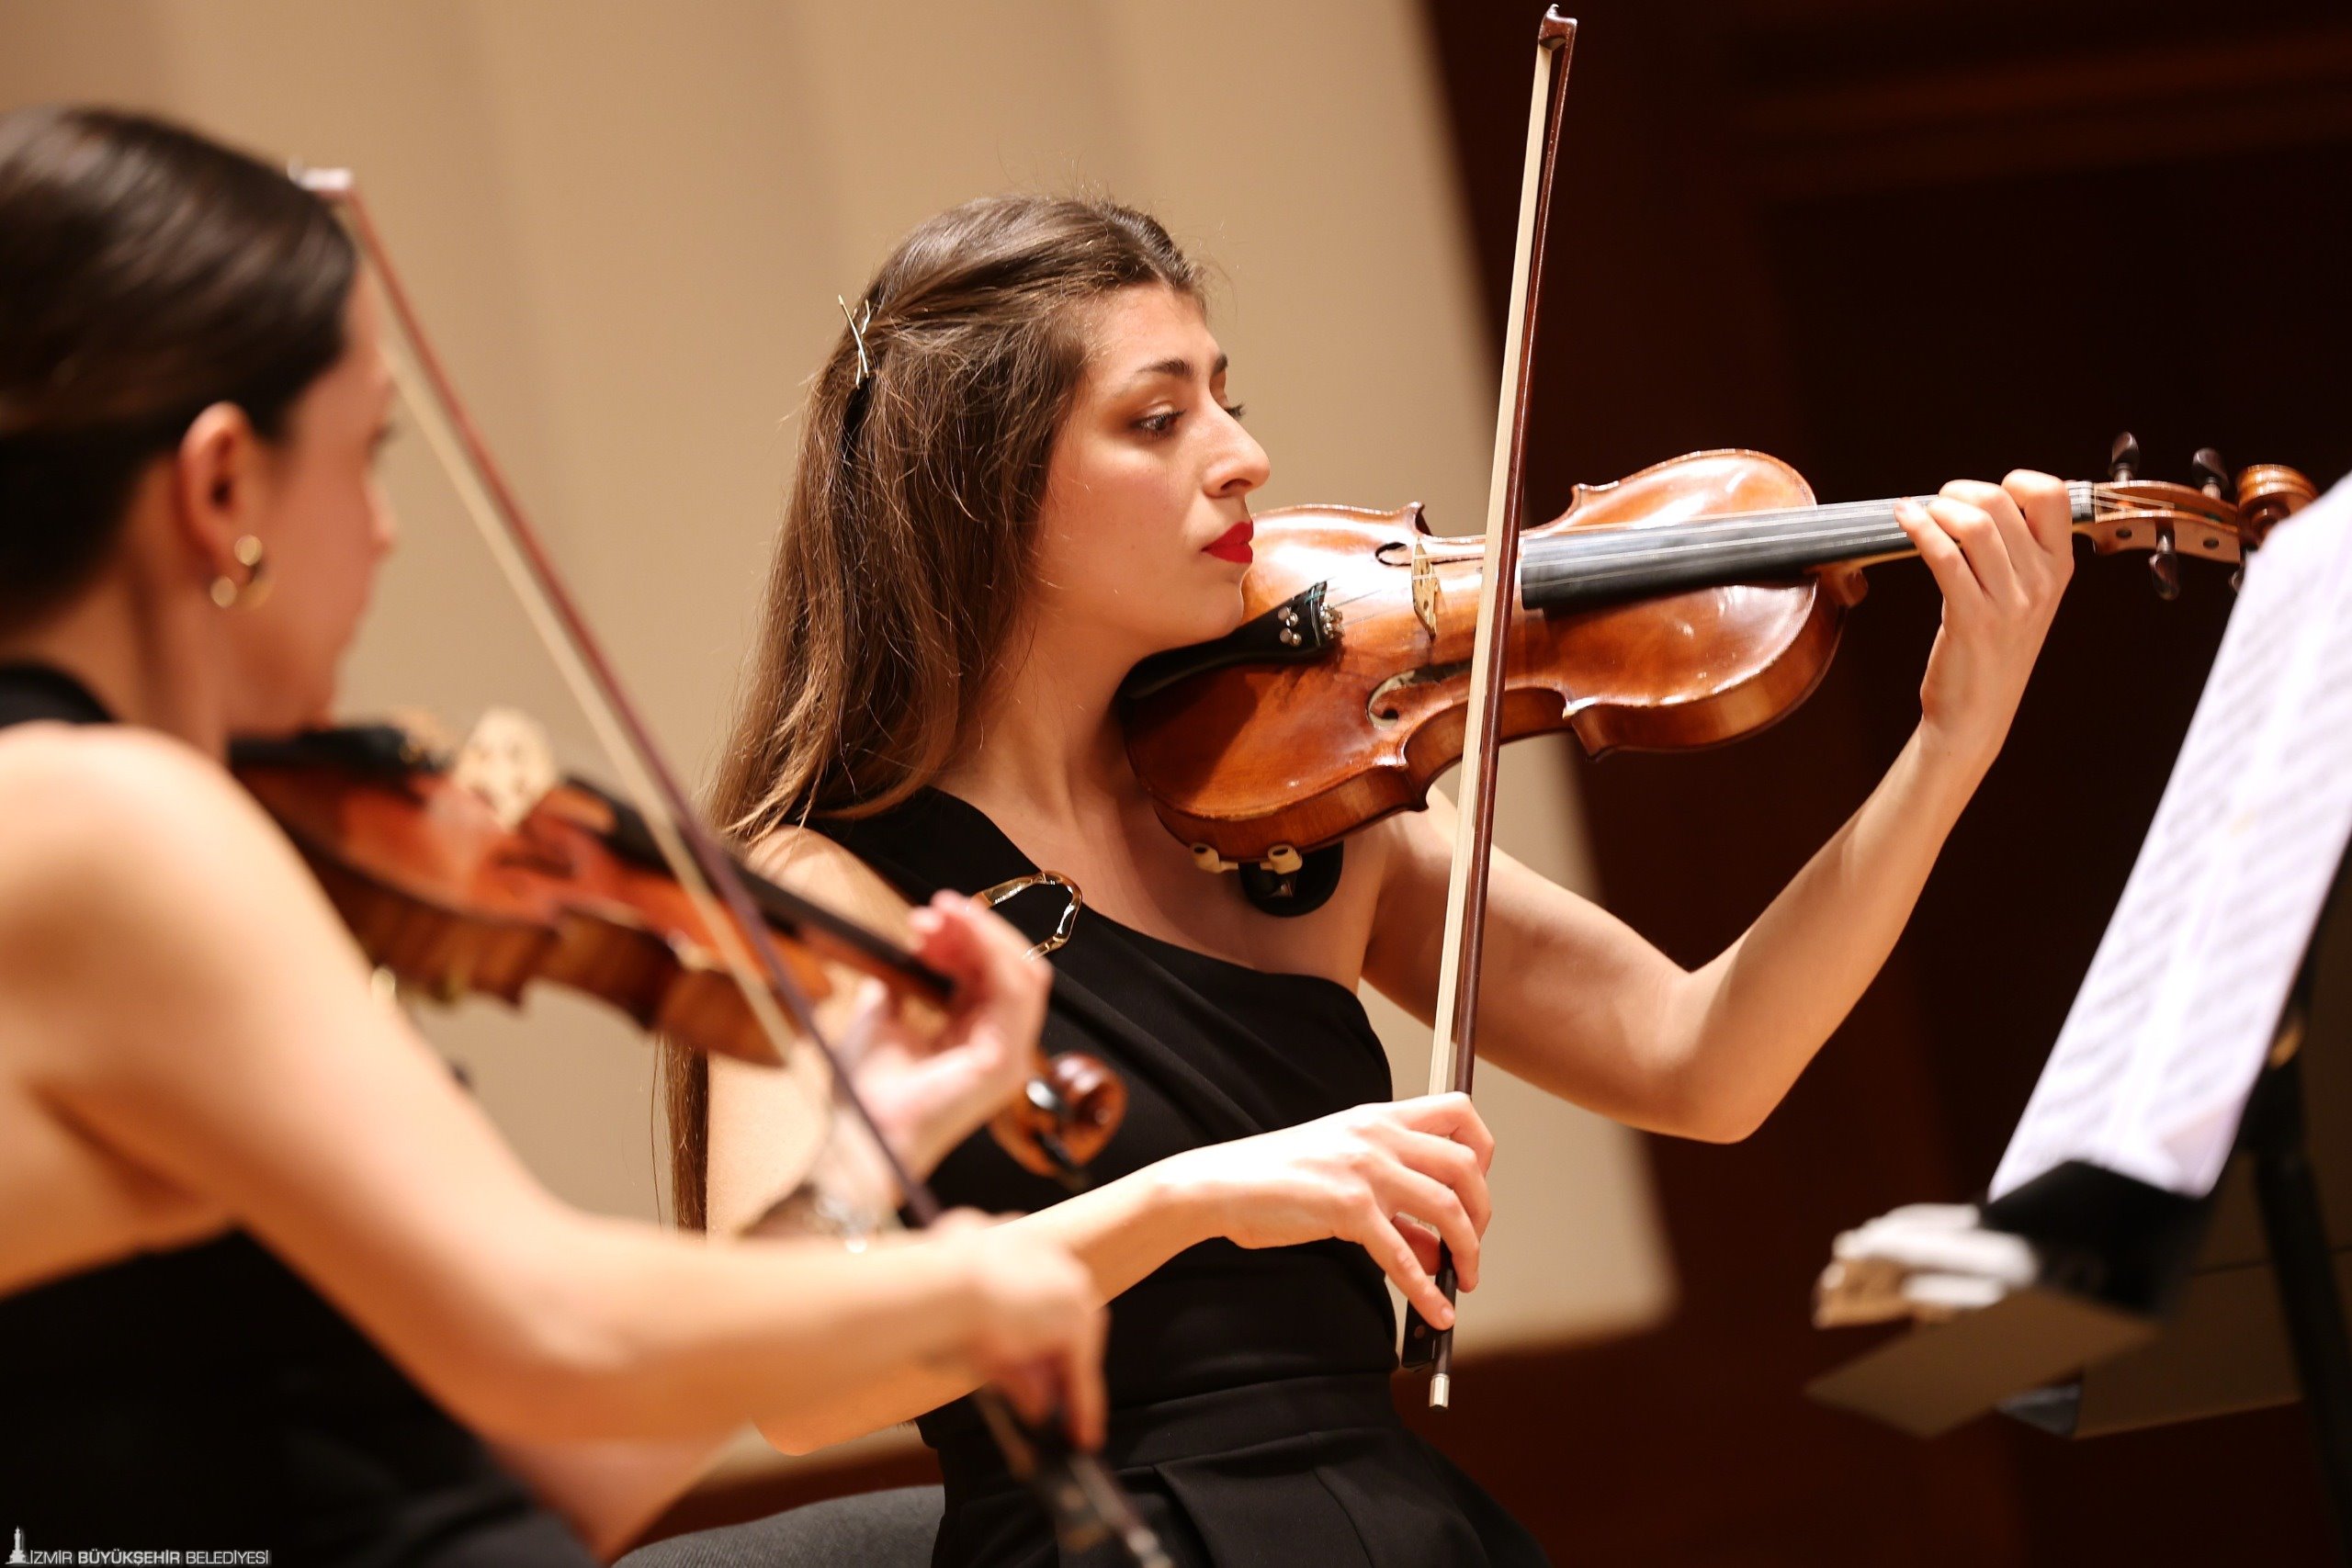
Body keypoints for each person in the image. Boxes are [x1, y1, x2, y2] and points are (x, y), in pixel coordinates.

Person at [681, 193, 2076, 1566]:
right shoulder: (830, 888)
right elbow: (796, 1383)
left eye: (1225, 400)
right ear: (981, 487)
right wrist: (1193, 1198)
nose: (1243, 456)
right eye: (1157, 420)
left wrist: (1950, 747)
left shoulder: (1303, 795)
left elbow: (1703, 1063)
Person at [0, 107, 1112, 1562]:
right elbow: (551, 1327)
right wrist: (971, 1282)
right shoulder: (105, 820)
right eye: (367, 453)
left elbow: (549, 1459)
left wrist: (860, 1161)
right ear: (221, 489)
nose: (385, 529)